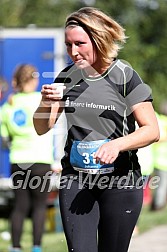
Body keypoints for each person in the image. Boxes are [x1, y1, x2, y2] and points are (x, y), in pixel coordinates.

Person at [33, 7, 160, 252]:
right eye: (68, 45)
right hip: (76, 179)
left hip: (120, 181)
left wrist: (116, 145)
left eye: (79, 43)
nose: (73, 52)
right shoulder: (66, 77)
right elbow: (42, 128)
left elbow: (151, 130)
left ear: (98, 39)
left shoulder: (123, 75)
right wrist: (45, 102)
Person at [1, 64, 54, 252]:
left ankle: (15, 247)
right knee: (39, 206)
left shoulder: (9, 105)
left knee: (20, 206)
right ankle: (36, 247)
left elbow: (5, 138)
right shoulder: (41, 100)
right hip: (41, 159)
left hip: (18, 160)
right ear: (34, 79)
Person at [151, 106, 167, 211]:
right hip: (163, 161)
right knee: (161, 185)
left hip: (155, 159)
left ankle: (156, 204)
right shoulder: (164, 122)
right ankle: (158, 206)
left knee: (156, 184)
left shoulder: (157, 118)